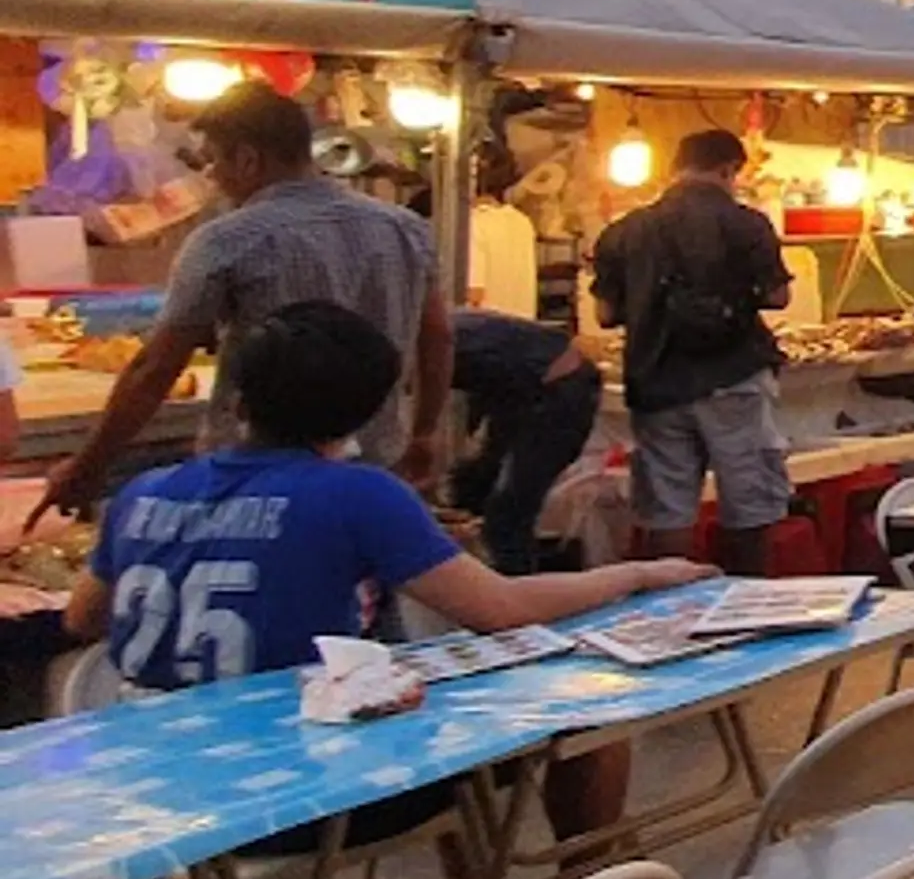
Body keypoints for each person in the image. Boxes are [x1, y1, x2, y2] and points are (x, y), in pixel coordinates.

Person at [70, 300, 707, 879]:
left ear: (237, 398)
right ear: (363, 415)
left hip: (149, 795)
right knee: (585, 709)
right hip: (292, 800)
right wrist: (633, 575)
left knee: (418, 696)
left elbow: (82, 617)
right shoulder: (357, 495)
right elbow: (499, 608)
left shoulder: (143, 494)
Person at [40, 83, 447, 526]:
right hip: (374, 466)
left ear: (248, 159)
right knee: (358, 587)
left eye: (215, 159)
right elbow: (438, 338)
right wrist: (424, 432)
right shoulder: (405, 228)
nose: (211, 175)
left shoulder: (227, 240)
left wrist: (89, 466)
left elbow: (154, 369)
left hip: (256, 483)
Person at [590, 128, 802, 566]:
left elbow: (605, 314)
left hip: (656, 382)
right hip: (734, 376)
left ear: (674, 169)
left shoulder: (623, 232)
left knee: (667, 507)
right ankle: (745, 600)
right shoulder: (747, 223)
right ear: (728, 169)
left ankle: (673, 606)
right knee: (749, 500)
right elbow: (778, 296)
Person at [448, 308, 604, 575]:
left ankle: (512, 587)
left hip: (557, 390)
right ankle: (491, 571)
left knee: (508, 510)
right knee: (474, 485)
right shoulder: (452, 329)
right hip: (532, 388)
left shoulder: (440, 338)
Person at [463, 140, 542, 319]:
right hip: (522, 333)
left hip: (485, 335)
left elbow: (473, 294)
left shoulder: (474, 224)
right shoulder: (522, 222)